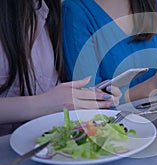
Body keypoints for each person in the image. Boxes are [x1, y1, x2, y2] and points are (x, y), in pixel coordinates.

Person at [0, 0, 121, 135]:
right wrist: (44, 104)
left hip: (48, 143)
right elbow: (49, 102)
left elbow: (51, 90)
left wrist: (88, 97)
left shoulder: (45, 9)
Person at [62, 0, 157, 102]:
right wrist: (153, 84)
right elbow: (92, 101)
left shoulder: (153, 3)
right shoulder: (75, 11)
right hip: (116, 133)